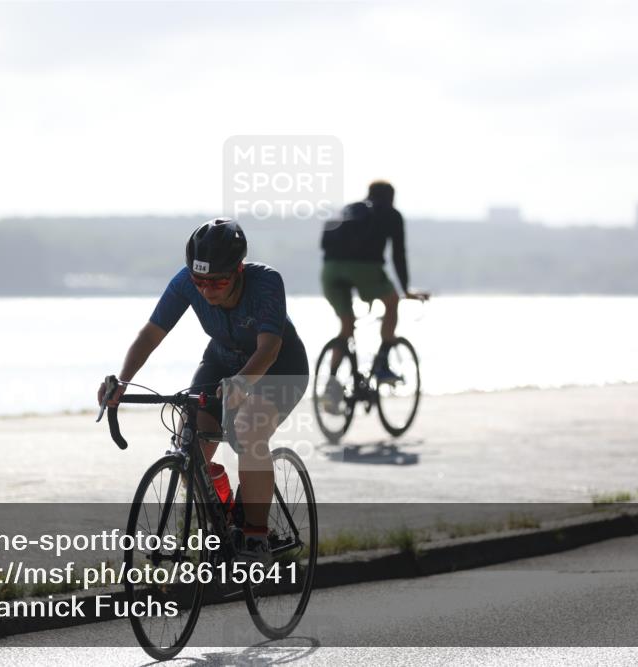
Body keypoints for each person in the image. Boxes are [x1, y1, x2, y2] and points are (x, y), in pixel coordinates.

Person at [98, 218, 308, 563]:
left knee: (249, 429)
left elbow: (268, 349)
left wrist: (242, 383)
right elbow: (150, 335)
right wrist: (121, 381)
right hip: (222, 362)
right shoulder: (185, 283)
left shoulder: (266, 282)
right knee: (189, 445)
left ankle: (256, 537)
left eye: (218, 281)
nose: (207, 290)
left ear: (238, 270)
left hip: (279, 369)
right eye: (199, 281)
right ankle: (223, 512)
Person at [320, 180, 428, 390]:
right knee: (392, 301)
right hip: (365, 269)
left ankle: (330, 386)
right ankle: (382, 366)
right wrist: (405, 289)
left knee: (346, 327)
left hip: (330, 270)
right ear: (391, 198)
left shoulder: (349, 210)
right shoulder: (392, 215)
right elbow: (398, 255)